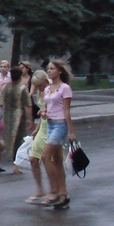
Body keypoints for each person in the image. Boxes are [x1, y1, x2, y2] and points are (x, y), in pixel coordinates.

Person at [39, 59, 75, 210]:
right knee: (57, 160)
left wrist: (71, 130)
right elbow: (50, 106)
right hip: (50, 123)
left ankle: (53, 190)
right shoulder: (48, 89)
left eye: (52, 69)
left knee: (45, 156)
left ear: (60, 71)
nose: (49, 71)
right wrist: (44, 112)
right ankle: (63, 193)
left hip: (61, 124)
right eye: (48, 69)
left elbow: (66, 110)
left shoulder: (64, 88)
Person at [24, 69, 51, 204]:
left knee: (49, 161)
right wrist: (37, 128)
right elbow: (42, 113)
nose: (39, 88)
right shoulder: (41, 92)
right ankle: (40, 189)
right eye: (36, 86)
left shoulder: (52, 89)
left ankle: (54, 190)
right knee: (33, 159)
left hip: (52, 128)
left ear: (46, 81)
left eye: (40, 85)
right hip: (43, 127)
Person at [0, 71, 30, 174]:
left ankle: (12, 159)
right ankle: (16, 164)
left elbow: (1, 102)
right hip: (19, 115)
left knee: (9, 138)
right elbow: (27, 104)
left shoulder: (5, 87)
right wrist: (30, 119)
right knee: (19, 139)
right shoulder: (22, 88)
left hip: (7, 115)